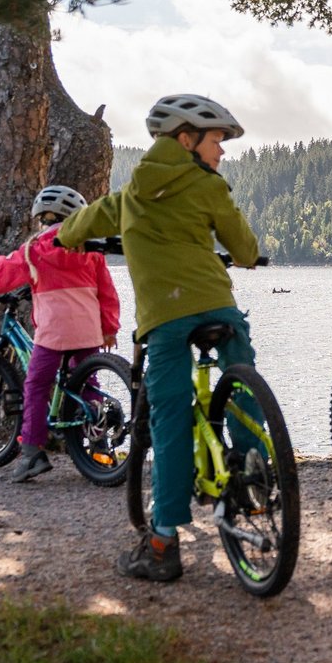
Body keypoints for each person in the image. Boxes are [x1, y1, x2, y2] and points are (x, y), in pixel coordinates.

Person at [57, 94, 262, 583]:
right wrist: (248, 256)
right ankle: (253, 468)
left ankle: (162, 542)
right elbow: (245, 249)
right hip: (219, 309)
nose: (223, 151)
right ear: (186, 140)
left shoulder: (128, 198)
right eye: (217, 141)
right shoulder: (210, 187)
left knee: (170, 419)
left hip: (165, 322)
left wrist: (64, 235)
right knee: (245, 385)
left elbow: (76, 228)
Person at [0, 185, 119, 483]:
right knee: (88, 383)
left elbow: (1, 272)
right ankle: (98, 442)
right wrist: (109, 327)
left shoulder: (35, 249)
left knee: (35, 386)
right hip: (87, 331)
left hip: (54, 334)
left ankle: (32, 453)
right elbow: (107, 291)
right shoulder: (89, 250)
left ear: (42, 219)